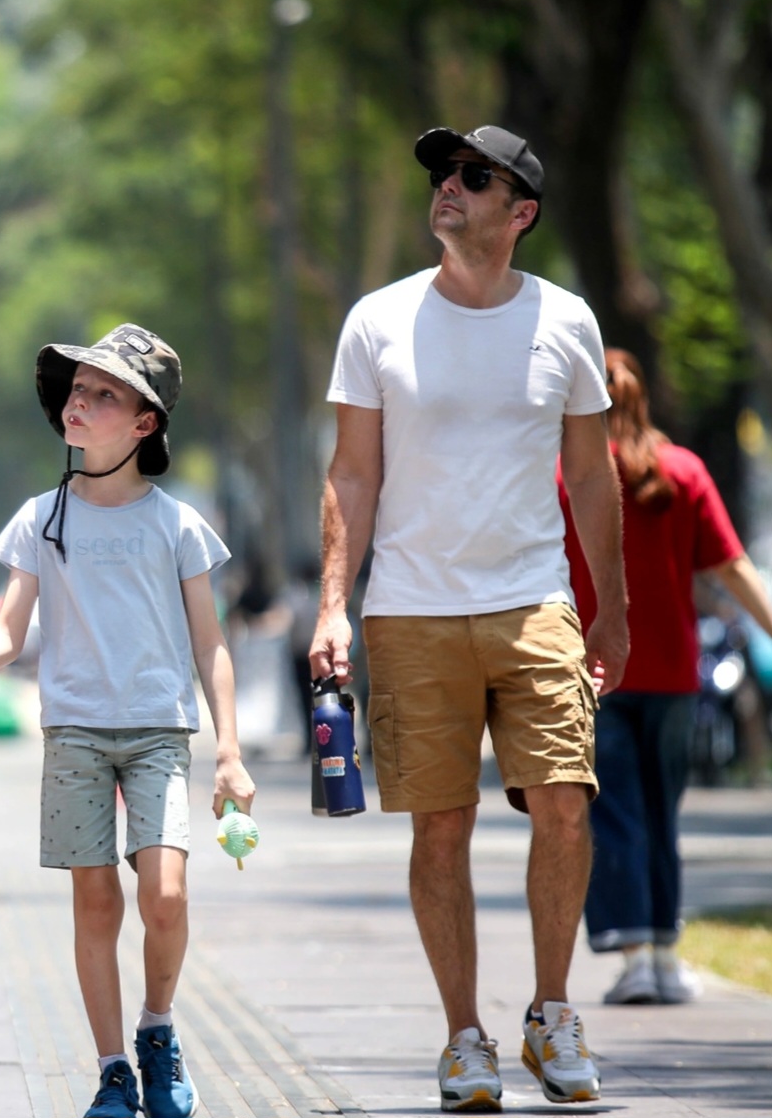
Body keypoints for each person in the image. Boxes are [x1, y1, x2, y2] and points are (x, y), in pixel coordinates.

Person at [311, 126, 629, 1112]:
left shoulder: (565, 320)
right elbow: (351, 473)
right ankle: (463, 1037)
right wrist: (332, 604)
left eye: (471, 177)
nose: (446, 186)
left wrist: (610, 609)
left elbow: (590, 475)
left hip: (535, 602)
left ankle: (551, 1011)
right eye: (442, 174)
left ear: (518, 211)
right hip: (409, 609)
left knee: (564, 802)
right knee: (440, 825)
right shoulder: (377, 320)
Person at [0, 324, 251, 1118]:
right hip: (73, 732)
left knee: (164, 894)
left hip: (159, 730)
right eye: (77, 389)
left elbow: (211, 643)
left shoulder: (176, 524)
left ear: (144, 423)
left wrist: (229, 751)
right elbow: (7, 634)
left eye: (103, 394)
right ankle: (111, 1069)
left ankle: (156, 1028)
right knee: (94, 901)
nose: (79, 402)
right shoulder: (39, 517)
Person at [560, 348, 772, 1005]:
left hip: (593, 671)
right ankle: (663, 953)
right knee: (660, 812)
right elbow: (731, 565)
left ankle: (634, 961)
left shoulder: (562, 475)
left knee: (613, 810)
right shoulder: (683, 471)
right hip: (674, 674)